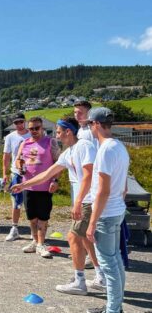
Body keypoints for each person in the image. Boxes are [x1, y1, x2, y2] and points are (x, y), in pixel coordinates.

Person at [12, 116, 105, 293]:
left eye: (59, 132)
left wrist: (77, 202)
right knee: (85, 238)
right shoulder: (69, 152)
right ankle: (100, 276)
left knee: (73, 237)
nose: (57, 135)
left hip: (89, 200)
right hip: (85, 200)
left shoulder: (84, 146)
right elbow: (48, 173)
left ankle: (80, 281)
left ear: (68, 132)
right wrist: (23, 185)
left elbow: (88, 175)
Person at [81, 107, 129, 313]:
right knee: (116, 260)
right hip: (116, 210)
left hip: (106, 214)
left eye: (90, 124)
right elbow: (124, 187)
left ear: (97, 124)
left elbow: (102, 191)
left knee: (109, 264)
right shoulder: (119, 147)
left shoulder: (105, 150)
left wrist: (92, 222)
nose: (89, 127)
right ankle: (114, 307)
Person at [14, 117, 60, 258]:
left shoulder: (50, 141)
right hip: (28, 185)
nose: (34, 131)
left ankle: (41, 244)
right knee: (32, 217)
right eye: (31, 128)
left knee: (43, 217)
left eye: (37, 128)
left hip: (45, 186)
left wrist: (55, 180)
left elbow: (58, 162)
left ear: (42, 128)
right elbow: (17, 159)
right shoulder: (25, 143)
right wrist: (19, 166)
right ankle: (34, 241)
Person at [74, 100, 99, 270]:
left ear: (89, 113)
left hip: (90, 180)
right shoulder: (80, 130)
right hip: (79, 178)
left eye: (80, 112)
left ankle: (94, 258)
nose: (77, 115)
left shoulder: (90, 131)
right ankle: (83, 251)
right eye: (75, 112)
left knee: (88, 223)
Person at [2, 113, 30, 241]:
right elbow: (6, 156)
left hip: (32, 173)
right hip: (16, 172)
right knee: (16, 202)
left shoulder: (32, 134)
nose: (19, 125)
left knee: (31, 202)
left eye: (21, 122)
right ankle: (14, 228)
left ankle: (35, 230)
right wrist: (4, 173)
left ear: (25, 121)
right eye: (16, 123)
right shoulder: (10, 137)